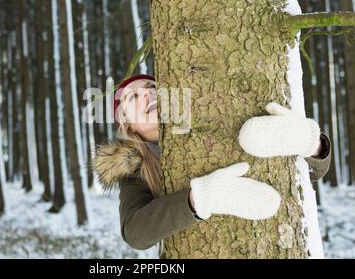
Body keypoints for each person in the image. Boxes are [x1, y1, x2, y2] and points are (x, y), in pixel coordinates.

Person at [92, 74, 331, 257]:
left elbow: (311, 174)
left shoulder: (206, 117)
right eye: (133, 98)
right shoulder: (134, 169)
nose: (148, 95)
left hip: (276, 232)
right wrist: (200, 199)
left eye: (152, 88)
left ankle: (305, 141)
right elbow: (135, 233)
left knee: (257, 137)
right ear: (128, 125)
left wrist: (315, 146)